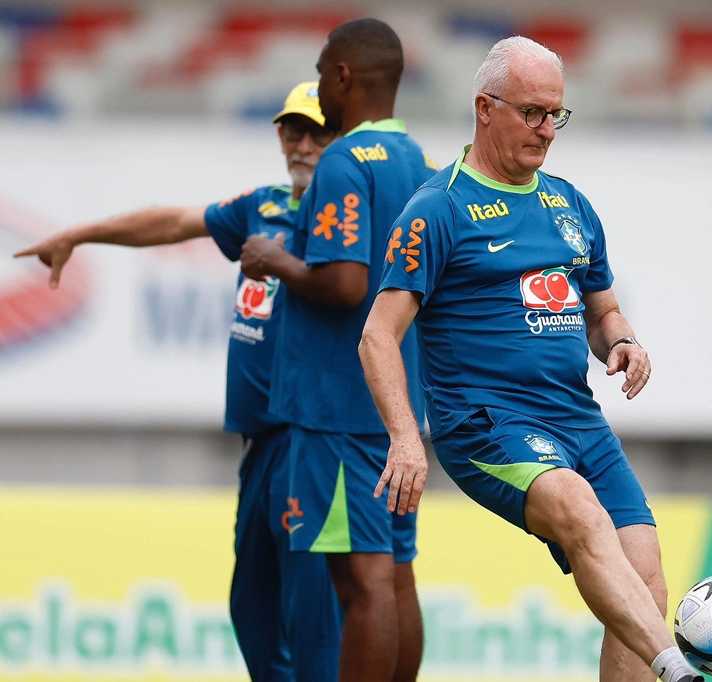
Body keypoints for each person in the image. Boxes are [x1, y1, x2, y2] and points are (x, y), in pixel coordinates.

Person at [360, 36, 704, 682]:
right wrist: (406, 438)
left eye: (557, 115)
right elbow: (378, 335)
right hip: (488, 424)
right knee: (576, 507)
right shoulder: (439, 210)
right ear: (485, 108)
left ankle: (659, 660)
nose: (548, 130)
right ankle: (678, 670)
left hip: (577, 419)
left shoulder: (568, 204)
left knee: (645, 572)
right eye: (532, 113)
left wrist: (623, 342)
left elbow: (603, 311)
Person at [12, 83, 343, 681]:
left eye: (320, 131)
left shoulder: (352, 222)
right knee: (253, 609)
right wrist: (81, 233)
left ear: (346, 139)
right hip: (262, 439)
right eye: (293, 130)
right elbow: (174, 223)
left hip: (314, 435)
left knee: (313, 614)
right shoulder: (263, 204)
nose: (303, 143)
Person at [237, 18, 435, 682]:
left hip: (337, 406)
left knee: (362, 583)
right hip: (394, 406)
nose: (318, 86)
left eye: (322, 73)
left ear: (345, 77)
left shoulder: (344, 161)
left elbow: (346, 283)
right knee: (397, 575)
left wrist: (275, 258)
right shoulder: (420, 162)